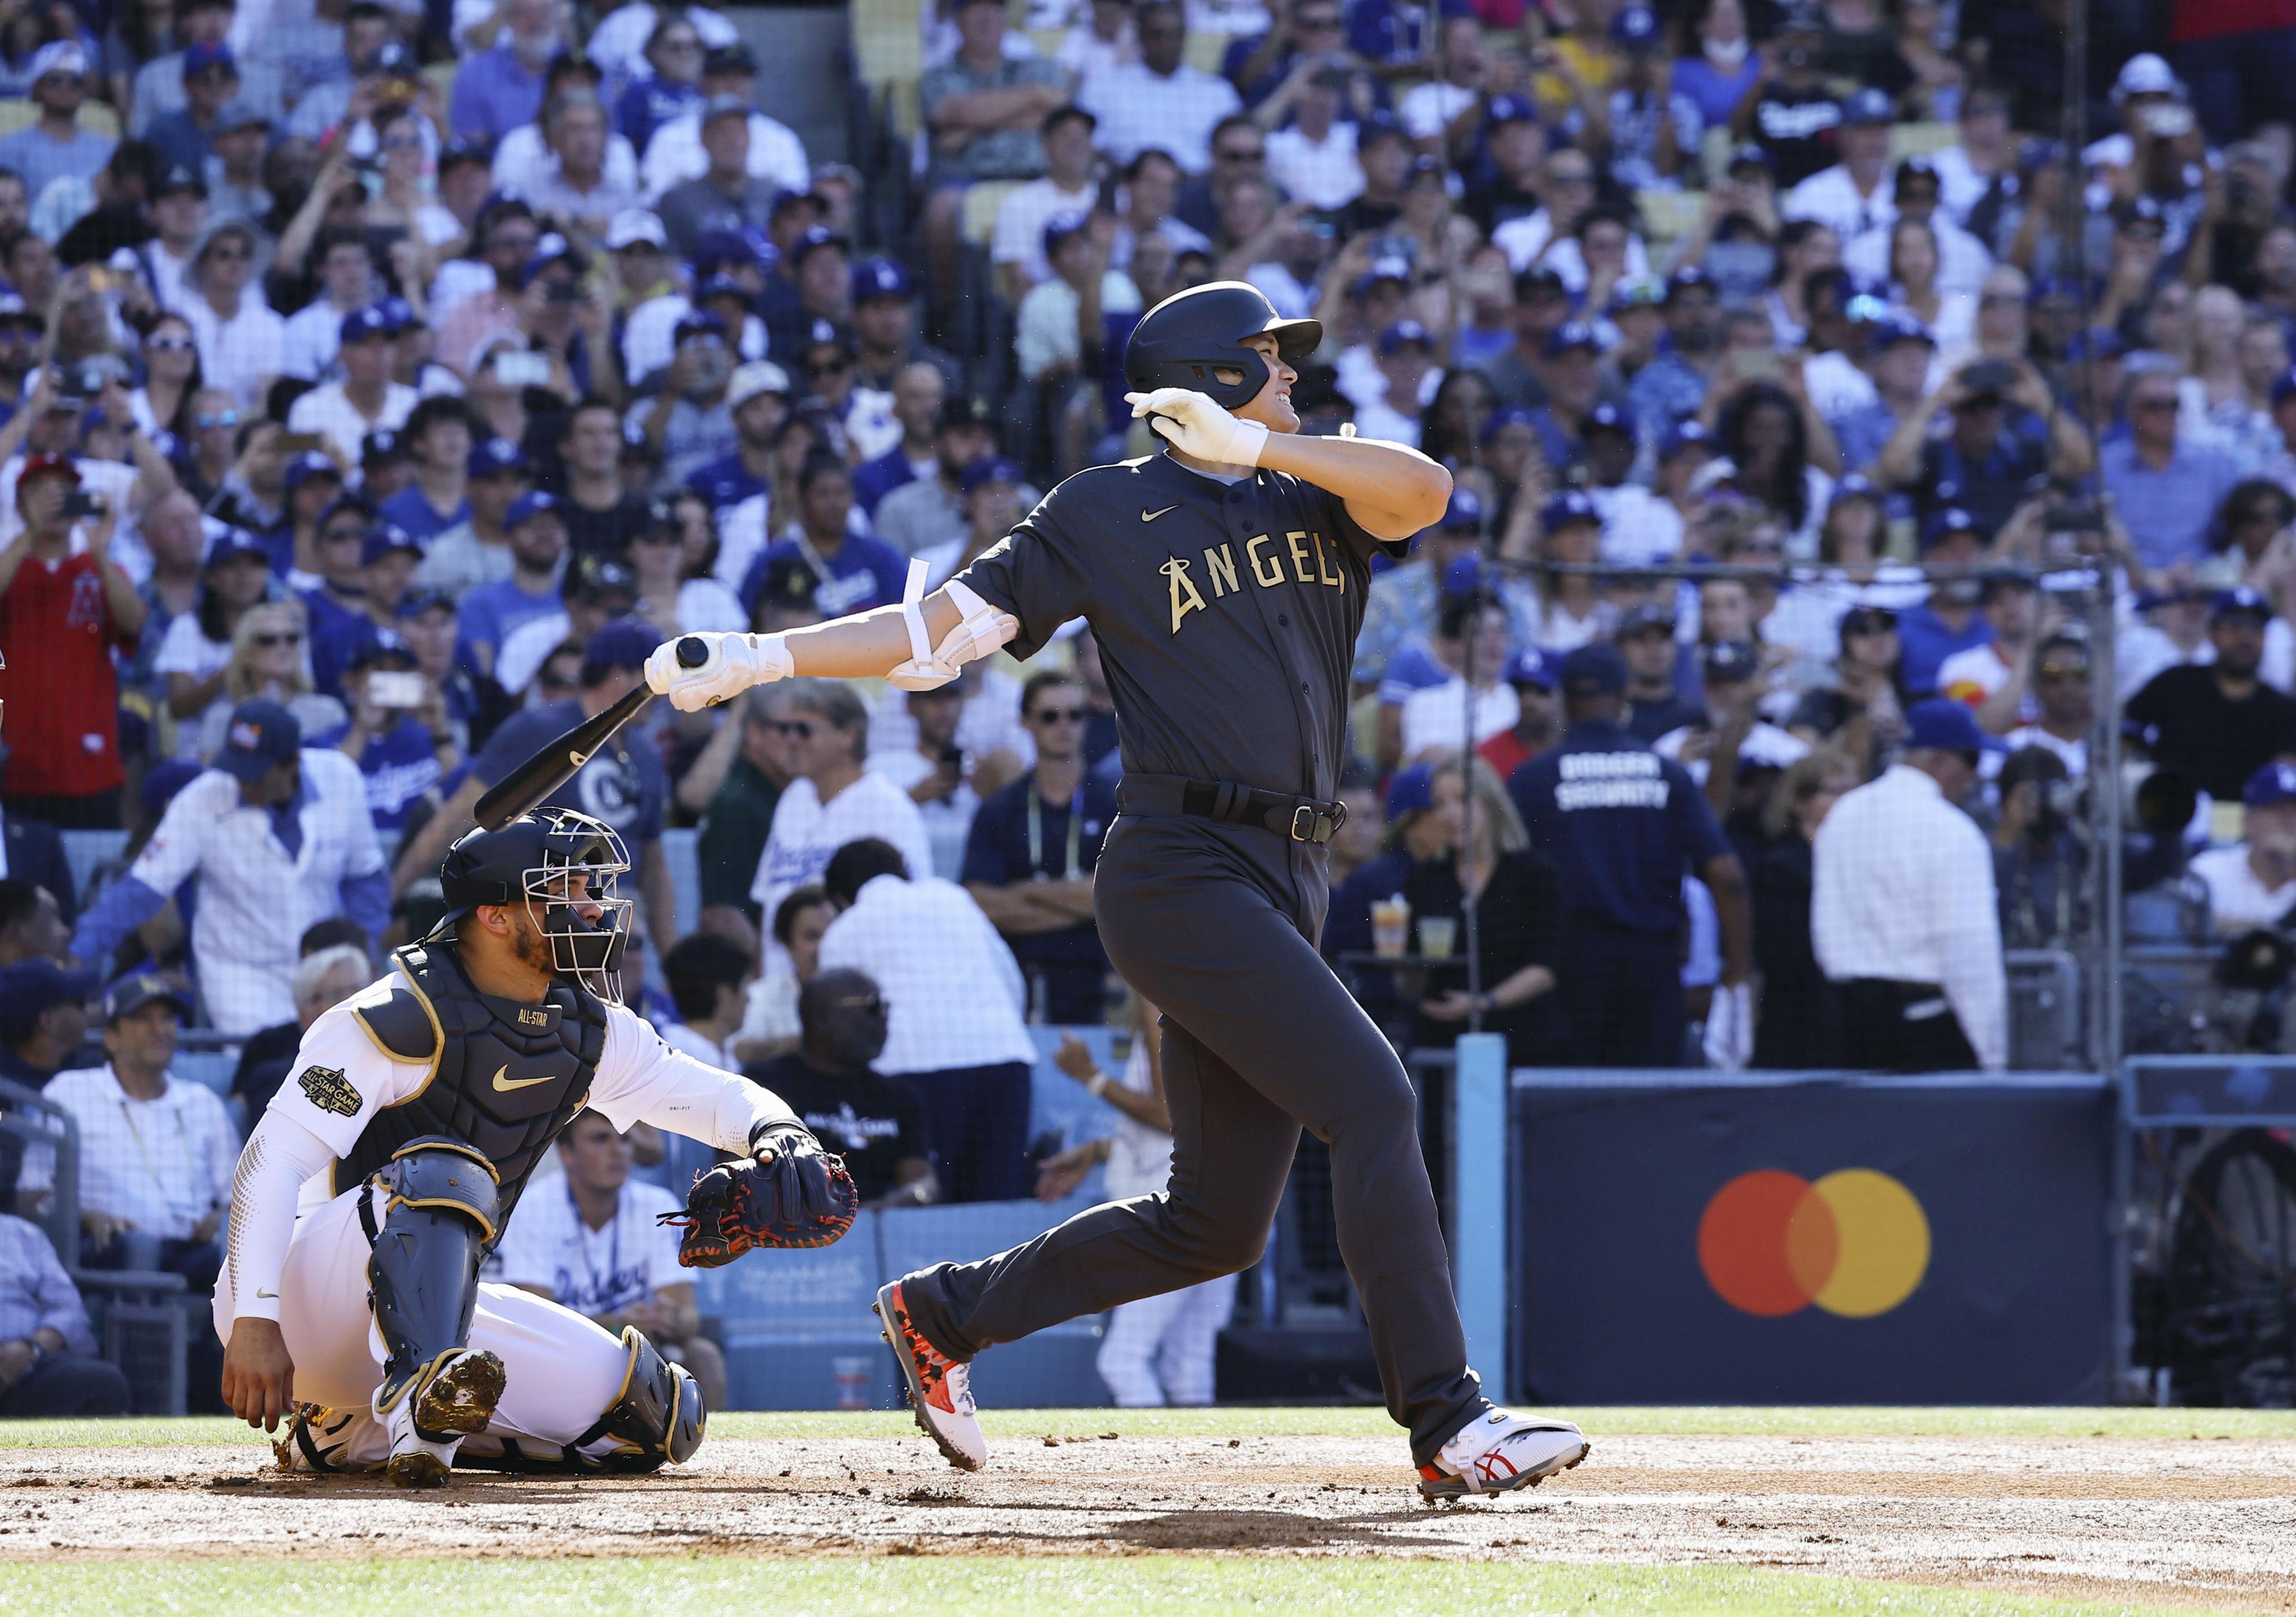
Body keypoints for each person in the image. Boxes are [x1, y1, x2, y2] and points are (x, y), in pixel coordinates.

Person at [641, 280, 1588, 1497]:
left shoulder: (1313, 480)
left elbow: (1430, 491)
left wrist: (1259, 442)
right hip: (1178, 864)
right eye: (1270, 361)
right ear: (1216, 371)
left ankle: (941, 1313)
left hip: (1290, 867)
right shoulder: (1104, 506)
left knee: (1216, 1219)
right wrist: (765, 657)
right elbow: (942, 632)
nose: (1293, 377)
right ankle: (1447, 1422)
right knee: (1372, 1099)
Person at [214, 806, 833, 1485]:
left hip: (427, 1315)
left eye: (592, 887)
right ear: (495, 915)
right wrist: (255, 1318)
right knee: (444, 1168)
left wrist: (781, 1133)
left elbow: (714, 1097)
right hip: (303, 1301)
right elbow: (268, 1164)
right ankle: (410, 1402)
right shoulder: (393, 1015)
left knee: (655, 1415)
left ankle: (349, 1433)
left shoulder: (590, 1030)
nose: (593, 906)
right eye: (565, 888)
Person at [69, 701, 389, 1037]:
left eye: (255, 773)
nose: (241, 781)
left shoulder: (340, 779)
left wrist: (360, 954)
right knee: (267, 1073)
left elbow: (366, 880)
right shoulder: (201, 799)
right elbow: (141, 890)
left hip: (324, 971)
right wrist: (78, 953)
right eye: (237, 766)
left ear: (291, 764)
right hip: (241, 975)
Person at [1508, 642, 1751, 1068]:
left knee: (1570, 1108)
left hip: (1566, 972)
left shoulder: (1532, 779)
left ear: (1566, 700)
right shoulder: (1667, 774)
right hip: (1651, 969)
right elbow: (1727, 874)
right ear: (1623, 698)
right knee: (1646, 1108)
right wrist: (1738, 970)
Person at [394, 622, 678, 958]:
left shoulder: (644, 753)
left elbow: (654, 864)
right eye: (655, 678)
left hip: (620, 919)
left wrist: (673, 959)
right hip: (541, 914)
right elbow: (461, 816)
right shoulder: (538, 731)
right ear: (618, 675)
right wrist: (390, 896)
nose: (663, 694)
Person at [814, 838, 1035, 1203]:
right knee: (995, 1212)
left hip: (913, 1072)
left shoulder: (845, 929)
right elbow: (1012, 982)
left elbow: (838, 1027)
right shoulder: (955, 899)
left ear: (839, 899)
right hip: (1005, 1061)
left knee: (930, 1217)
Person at [1036, 995, 1232, 1406]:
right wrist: (1099, 1150)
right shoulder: (1233, 990)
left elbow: (1169, 1115)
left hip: (1177, 1204)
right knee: (1189, 1361)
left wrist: (1090, 1076)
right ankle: (1206, 1468)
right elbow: (1200, 1120)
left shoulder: (1157, 990)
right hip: (1229, 1200)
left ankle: (1164, 1470)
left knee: (1123, 1361)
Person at [489, 1108, 728, 1415]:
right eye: (601, 1139)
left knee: (703, 1354)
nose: (618, 1151)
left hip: (644, 1352)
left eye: (625, 1139)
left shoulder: (658, 1205)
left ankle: (710, 1452)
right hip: (564, 1351)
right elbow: (537, 1322)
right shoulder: (535, 1205)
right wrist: (618, 1324)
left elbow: (687, 1314)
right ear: (567, 1154)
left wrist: (670, 1319)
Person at [1812, 698, 2007, 1072]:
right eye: (1972, 762)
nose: (1973, 778)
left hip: (1846, 1025)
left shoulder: (1843, 815)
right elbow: (1968, 952)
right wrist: (1991, 1057)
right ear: (1941, 759)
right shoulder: (1953, 831)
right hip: (1924, 1030)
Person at [20, 975, 236, 1281]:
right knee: (140, 1246)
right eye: (143, 1019)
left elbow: (239, 1195)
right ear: (111, 1037)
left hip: (192, 1246)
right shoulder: (69, 1093)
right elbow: (32, 1194)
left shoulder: (202, 1101)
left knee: (237, 1255)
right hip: (110, 1243)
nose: (159, 1029)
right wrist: (84, 1217)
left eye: (167, 1019)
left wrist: (220, 1218)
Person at [962, 670, 1117, 1023]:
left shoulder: (1114, 801)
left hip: (1100, 985)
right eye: (1050, 717)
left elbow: (1121, 895)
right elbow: (980, 905)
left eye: (1075, 715)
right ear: (1025, 723)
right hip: (1014, 983)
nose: (1064, 726)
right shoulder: (1000, 808)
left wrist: (1029, 890)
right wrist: (1082, 904)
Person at [0, 453, 146, 828]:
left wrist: (99, 550)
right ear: (20, 504)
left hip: (88, 766)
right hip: (15, 768)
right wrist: (30, 531)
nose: (56, 501)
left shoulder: (99, 569)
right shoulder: (12, 566)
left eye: (66, 492)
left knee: (88, 882)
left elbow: (133, 622)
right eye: (42, 492)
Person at [748, 680, 933, 953]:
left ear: (849, 736)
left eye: (804, 730)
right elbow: (768, 906)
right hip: (785, 985)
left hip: (849, 985)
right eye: (786, 730)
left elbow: (911, 914)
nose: (791, 741)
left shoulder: (889, 807)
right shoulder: (794, 798)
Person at [745, 967, 935, 1207]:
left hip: (877, 1232)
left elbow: (922, 1183)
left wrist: (869, 1216)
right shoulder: (766, 1086)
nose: (884, 1018)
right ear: (823, 1018)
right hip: (794, 1236)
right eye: (871, 1007)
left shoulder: (898, 1097)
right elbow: (744, 1175)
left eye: (885, 1008)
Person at [2126, 588, 2296, 803]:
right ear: (2213, 634)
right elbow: (2125, 729)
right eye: (2234, 625)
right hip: (2169, 816)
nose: (2245, 637)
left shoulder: (2283, 710)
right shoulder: (2175, 683)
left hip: (2248, 825)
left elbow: (2284, 778)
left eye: (2255, 628)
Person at [1748, 749, 1855, 1070]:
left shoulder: (1861, 862)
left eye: (1853, 792)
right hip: (1797, 1014)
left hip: (1848, 1015)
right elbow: (1782, 953)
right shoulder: (1779, 866)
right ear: (1798, 802)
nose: (1847, 802)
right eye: (1835, 792)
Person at [0, 1209, 131, 1415]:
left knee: (102, 1381)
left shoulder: (24, 1234)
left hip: (28, 1362)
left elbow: (68, 1307)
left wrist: (31, 1348)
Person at [230, 939, 372, 1122]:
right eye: (336, 994)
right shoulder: (268, 1052)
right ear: (305, 1007)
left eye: (358, 990)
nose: (352, 1001)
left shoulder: (391, 1046)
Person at [2191, 762, 2296, 936]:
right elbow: (2186, 923)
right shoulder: (2208, 873)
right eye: (2277, 810)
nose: (2290, 822)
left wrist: (2225, 925)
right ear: (2248, 822)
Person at [0, 956, 94, 1092]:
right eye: (80, 1004)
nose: (87, 1011)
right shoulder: (6, 1095)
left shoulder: (91, 1068)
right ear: (48, 1022)